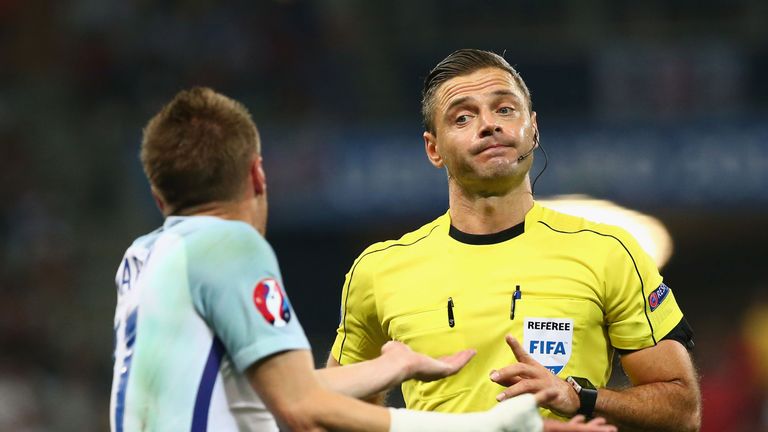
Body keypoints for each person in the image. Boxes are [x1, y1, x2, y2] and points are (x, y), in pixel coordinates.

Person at [109, 86, 564, 432]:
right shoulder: (231, 245)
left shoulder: (145, 256)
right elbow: (301, 405)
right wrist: (481, 426)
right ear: (257, 174)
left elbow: (259, 390)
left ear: (158, 196)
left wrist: (391, 367)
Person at [328, 49, 701, 432]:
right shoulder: (377, 270)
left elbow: (682, 409)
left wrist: (579, 396)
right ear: (433, 149)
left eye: (505, 109)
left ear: (533, 128)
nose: (489, 125)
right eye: (462, 117)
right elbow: (332, 412)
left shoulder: (608, 252)